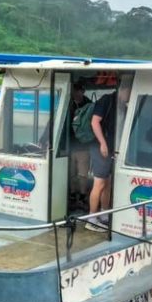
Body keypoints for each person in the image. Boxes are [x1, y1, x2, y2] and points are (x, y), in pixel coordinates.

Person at [87, 82, 132, 231]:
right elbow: (95, 122)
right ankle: (91, 219)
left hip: (112, 149)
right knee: (99, 183)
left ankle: (104, 214)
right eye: (129, 92)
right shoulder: (106, 100)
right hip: (100, 147)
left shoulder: (123, 107)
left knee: (108, 183)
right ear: (122, 89)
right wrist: (103, 143)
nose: (129, 97)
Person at [68, 82, 92, 210]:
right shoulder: (67, 103)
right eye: (74, 90)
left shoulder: (89, 106)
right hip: (69, 145)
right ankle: (72, 197)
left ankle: (82, 198)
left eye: (79, 90)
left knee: (83, 175)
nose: (76, 93)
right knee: (72, 174)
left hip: (83, 146)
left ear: (82, 91)